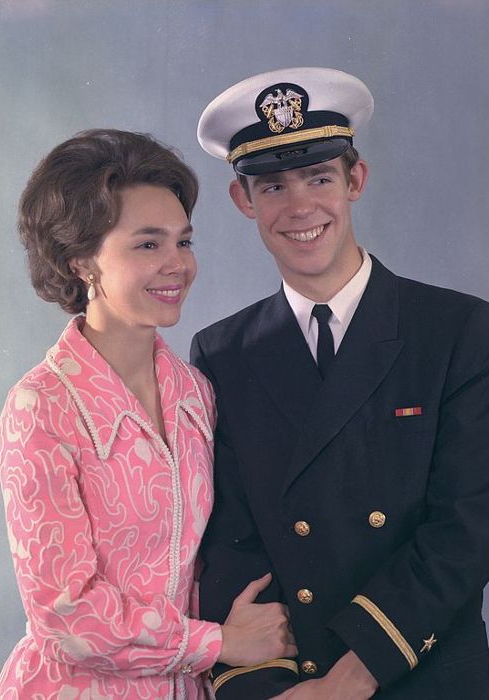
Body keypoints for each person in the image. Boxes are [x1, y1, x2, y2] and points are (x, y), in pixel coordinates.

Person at [190, 68, 489, 699]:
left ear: (355, 180)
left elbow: (468, 526)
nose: (299, 208)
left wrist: (349, 681)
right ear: (243, 201)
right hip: (286, 678)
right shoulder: (221, 352)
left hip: (417, 668)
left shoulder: (458, 328)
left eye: (319, 178)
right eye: (272, 186)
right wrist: (263, 686)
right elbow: (230, 539)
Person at [0, 129, 296, 700]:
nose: (177, 265)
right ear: (81, 259)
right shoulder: (42, 409)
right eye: (148, 245)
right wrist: (219, 643)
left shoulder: (195, 391)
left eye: (184, 242)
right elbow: (67, 614)